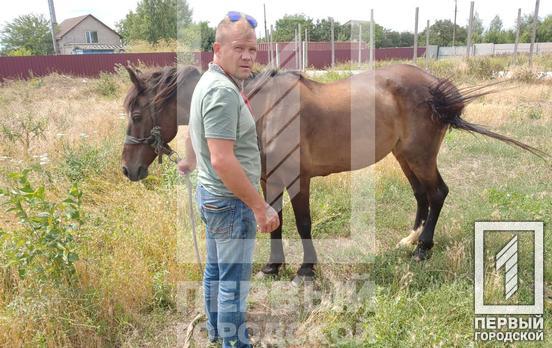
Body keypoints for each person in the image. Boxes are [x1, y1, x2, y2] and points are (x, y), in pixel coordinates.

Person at [177, 11, 280, 348]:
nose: (248, 56)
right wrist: (260, 206)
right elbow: (222, 159)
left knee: (216, 273)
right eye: (239, 48)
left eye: (253, 49)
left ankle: (216, 331)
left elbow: (196, 133)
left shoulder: (208, 81)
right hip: (231, 203)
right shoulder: (222, 91)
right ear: (217, 49)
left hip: (212, 196)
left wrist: (191, 159)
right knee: (232, 285)